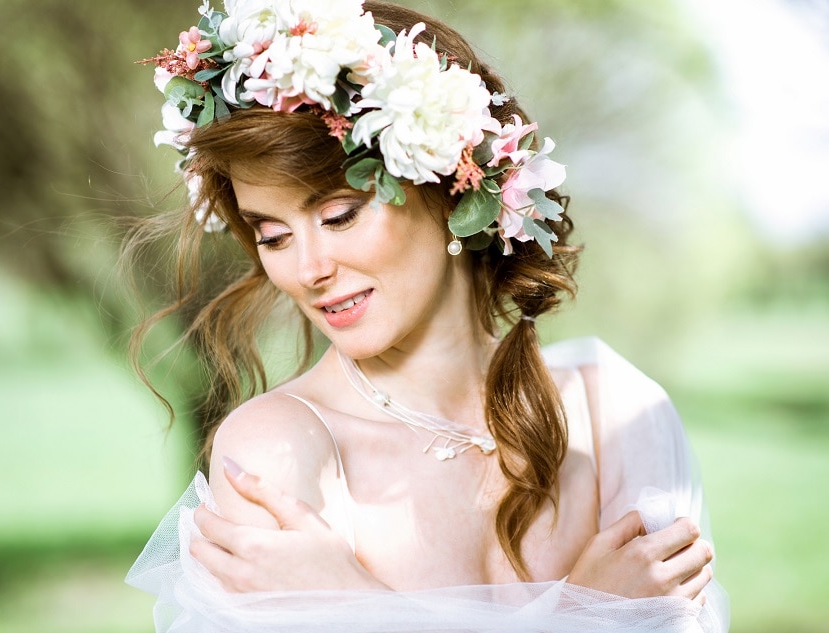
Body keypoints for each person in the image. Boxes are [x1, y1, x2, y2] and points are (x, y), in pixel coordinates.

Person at [127, 1, 730, 631]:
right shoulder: (281, 451)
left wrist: (357, 608)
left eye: (339, 215)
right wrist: (591, 618)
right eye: (273, 234)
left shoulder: (618, 415)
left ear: (451, 187)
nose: (307, 270)